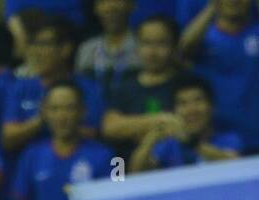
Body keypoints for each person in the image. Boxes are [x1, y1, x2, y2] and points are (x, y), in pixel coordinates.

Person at [11, 80, 112, 200]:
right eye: (55, 109)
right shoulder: (32, 155)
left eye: (69, 108)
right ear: (44, 112)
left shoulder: (105, 156)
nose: (61, 116)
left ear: (82, 111)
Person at [179, 0, 259, 154]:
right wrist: (211, 8)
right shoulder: (206, 39)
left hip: (256, 138)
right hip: (215, 141)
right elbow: (184, 49)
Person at [0, 15, 103, 155]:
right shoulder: (20, 87)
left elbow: (94, 132)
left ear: (65, 49)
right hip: (31, 167)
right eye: (33, 44)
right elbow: (8, 138)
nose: (37, 52)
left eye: (44, 45)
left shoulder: (88, 88)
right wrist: (41, 121)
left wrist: (57, 120)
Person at [100, 14, 185, 149]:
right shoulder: (125, 87)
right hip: (128, 166)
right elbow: (110, 128)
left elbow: (186, 128)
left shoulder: (186, 84)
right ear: (137, 46)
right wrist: (161, 120)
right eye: (146, 43)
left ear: (174, 46)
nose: (152, 51)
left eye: (161, 43)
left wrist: (132, 127)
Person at [130, 73, 240, 171]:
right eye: (183, 103)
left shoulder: (228, 139)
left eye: (198, 100)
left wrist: (191, 143)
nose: (191, 110)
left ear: (212, 106)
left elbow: (235, 164)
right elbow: (136, 171)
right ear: (174, 111)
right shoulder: (169, 143)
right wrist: (153, 136)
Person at [75, 0, 138, 93]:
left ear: (131, 5)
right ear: (95, 9)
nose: (110, 7)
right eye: (103, 1)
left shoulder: (142, 48)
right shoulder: (86, 49)